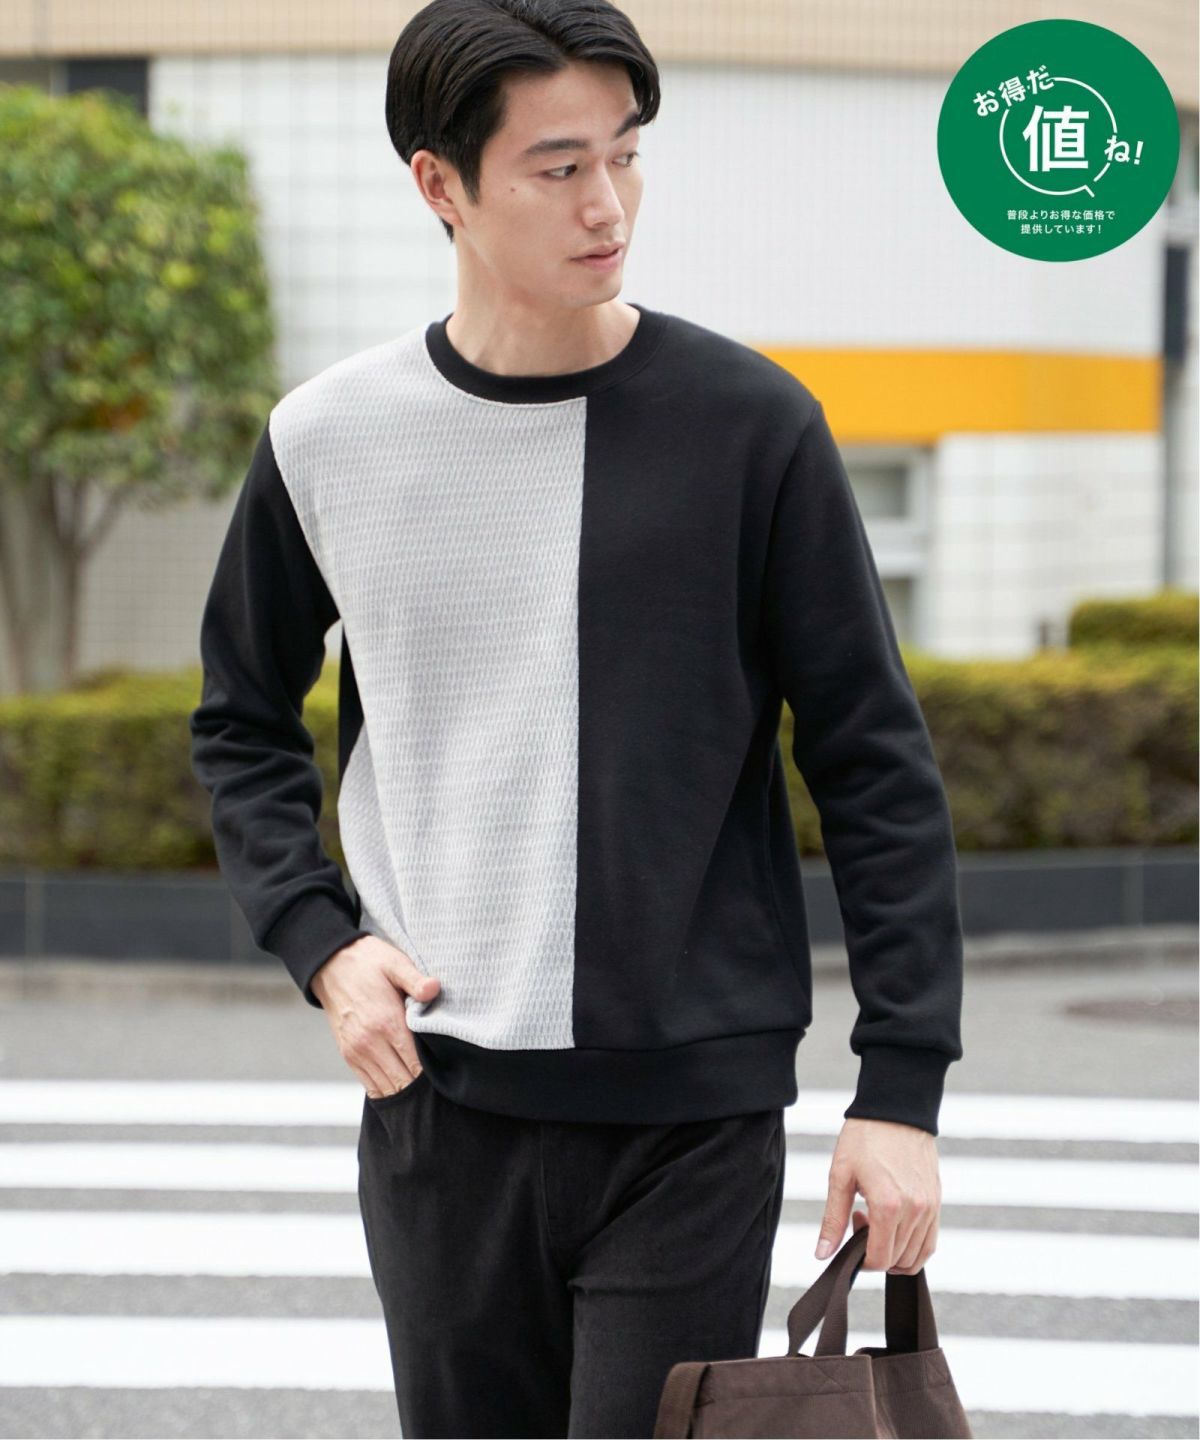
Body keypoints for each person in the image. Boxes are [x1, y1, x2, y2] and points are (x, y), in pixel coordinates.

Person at [189, 1, 965, 1434]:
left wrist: (900, 1092)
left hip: (691, 1112)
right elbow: (239, 716)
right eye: (557, 167)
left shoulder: (753, 426)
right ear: (440, 183)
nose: (607, 203)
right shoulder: (328, 438)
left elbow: (874, 764)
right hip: (440, 1104)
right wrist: (323, 944)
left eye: (625, 154)